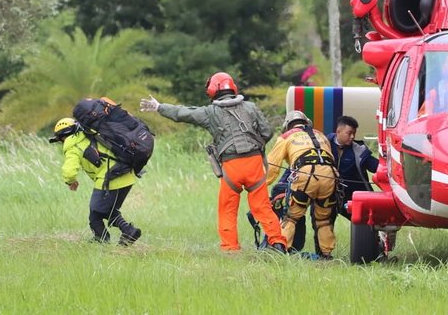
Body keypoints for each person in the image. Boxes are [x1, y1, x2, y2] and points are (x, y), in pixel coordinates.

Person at [139, 72, 287, 253]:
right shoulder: (250, 107)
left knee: (227, 209)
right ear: (232, 87)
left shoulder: (210, 113)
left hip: (231, 168)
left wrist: (159, 107)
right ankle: (278, 243)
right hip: (255, 164)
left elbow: (183, 113)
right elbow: (267, 132)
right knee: (262, 207)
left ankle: (230, 249)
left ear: (211, 90)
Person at [50, 117, 142, 245]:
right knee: (98, 211)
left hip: (110, 178)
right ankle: (102, 238)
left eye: (60, 139)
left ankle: (127, 230)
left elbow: (69, 171)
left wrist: (70, 181)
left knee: (98, 209)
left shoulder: (72, 145)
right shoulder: (91, 134)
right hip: (127, 174)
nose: (61, 142)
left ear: (63, 136)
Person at [266, 110, 338, 259]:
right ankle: (326, 255)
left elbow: (271, 166)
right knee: (323, 220)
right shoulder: (321, 135)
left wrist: (260, 185)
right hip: (329, 176)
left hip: (305, 176)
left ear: (288, 125)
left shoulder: (286, 136)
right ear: (307, 123)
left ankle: (282, 252)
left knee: (291, 217)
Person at [327, 115, 378, 220]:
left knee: (365, 223)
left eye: (354, 133)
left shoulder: (359, 151)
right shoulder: (323, 144)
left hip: (352, 196)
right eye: (349, 133)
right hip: (327, 195)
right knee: (323, 226)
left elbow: (376, 167)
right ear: (338, 131)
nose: (352, 137)